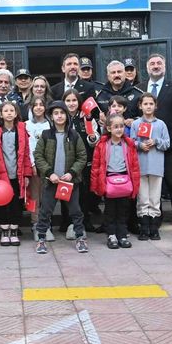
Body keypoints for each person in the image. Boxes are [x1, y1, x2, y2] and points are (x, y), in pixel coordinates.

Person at [140, 54, 172, 232]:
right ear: (147, 68)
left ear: (164, 66)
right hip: (145, 146)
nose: (155, 66)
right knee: (151, 183)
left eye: (159, 63)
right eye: (152, 63)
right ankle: (155, 218)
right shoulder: (139, 88)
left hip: (169, 144)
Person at [33, 101, 88, 254]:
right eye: (56, 113)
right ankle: (41, 239)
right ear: (51, 116)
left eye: (62, 113)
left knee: (75, 211)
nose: (59, 116)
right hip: (52, 181)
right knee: (45, 211)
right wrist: (49, 173)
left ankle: (80, 238)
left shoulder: (74, 135)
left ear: (67, 115)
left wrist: (72, 172)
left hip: (70, 181)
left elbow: (82, 156)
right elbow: (38, 156)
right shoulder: (46, 135)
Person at [91, 113, 140, 249]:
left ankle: (122, 235)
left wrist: (135, 184)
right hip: (109, 182)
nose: (119, 129)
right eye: (116, 127)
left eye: (122, 126)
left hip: (124, 180)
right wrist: (96, 185)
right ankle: (111, 235)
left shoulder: (129, 144)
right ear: (109, 128)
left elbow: (135, 166)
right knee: (110, 210)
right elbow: (96, 166)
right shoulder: (102, 145)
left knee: (123, 210)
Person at [129, 94, 171, 241]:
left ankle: (154, 228)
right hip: (141, 166)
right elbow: (131, 142)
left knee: (154, 198)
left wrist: (156, 141)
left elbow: (167, 144)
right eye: (145, 104)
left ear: (155, 106)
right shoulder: (135, 124)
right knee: (143, 198)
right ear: (140, 106)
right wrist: (140, 145)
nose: (148, 106)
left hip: (156, 166)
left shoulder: (161, 124)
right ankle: (144, 227)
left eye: (151, 104)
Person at [0, 101, 32, 247]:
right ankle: (4, 230)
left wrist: (27, 174)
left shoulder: (21, 130)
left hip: (18, 174)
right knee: (3, 203)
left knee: (16, 203)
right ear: (1, 114)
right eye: (5, 111)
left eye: (11, 110)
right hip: (2, 174)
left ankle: (14, 230)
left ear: (16, 114)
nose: (9, 113)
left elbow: (26, 154)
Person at [62, 88, 99, 237]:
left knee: (85, 193)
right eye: (68, 101)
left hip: (85, 161)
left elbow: (94, 140)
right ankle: (67, 222)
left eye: (74, 100)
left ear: (79, 102)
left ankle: (86, 221)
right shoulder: (60, 118)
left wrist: (91, 133)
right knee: (66, 193)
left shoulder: (87, 118)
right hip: (66, 163)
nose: (71, 104)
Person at [25, 96, 51, 240]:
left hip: (47, 166)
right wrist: (33, 164)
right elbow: (28, 146)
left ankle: (46, 223)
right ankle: (35, 223)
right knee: (34, 196)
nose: (39, 107)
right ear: (31, 108)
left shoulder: (50, 124)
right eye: (36, 105)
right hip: (33, 166)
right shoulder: (26, 125)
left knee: (47, 196)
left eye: (42, 105)